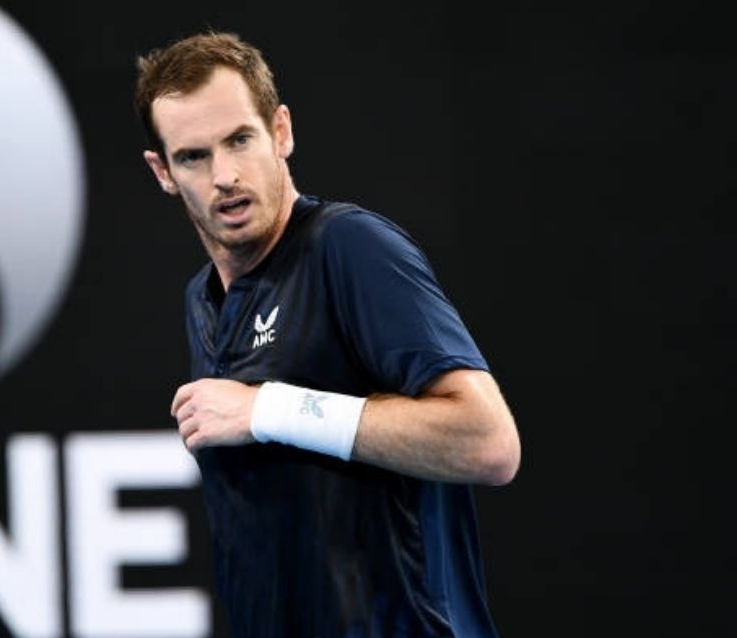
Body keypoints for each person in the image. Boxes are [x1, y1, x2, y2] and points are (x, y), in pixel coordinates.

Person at [134, 30, 521, 638]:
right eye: (193, 157)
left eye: (240, 140)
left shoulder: (349, 247)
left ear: (281, 132)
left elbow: (488, 443)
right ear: (162, 171)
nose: (224, 176)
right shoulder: (202, 301)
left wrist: (270, 409)